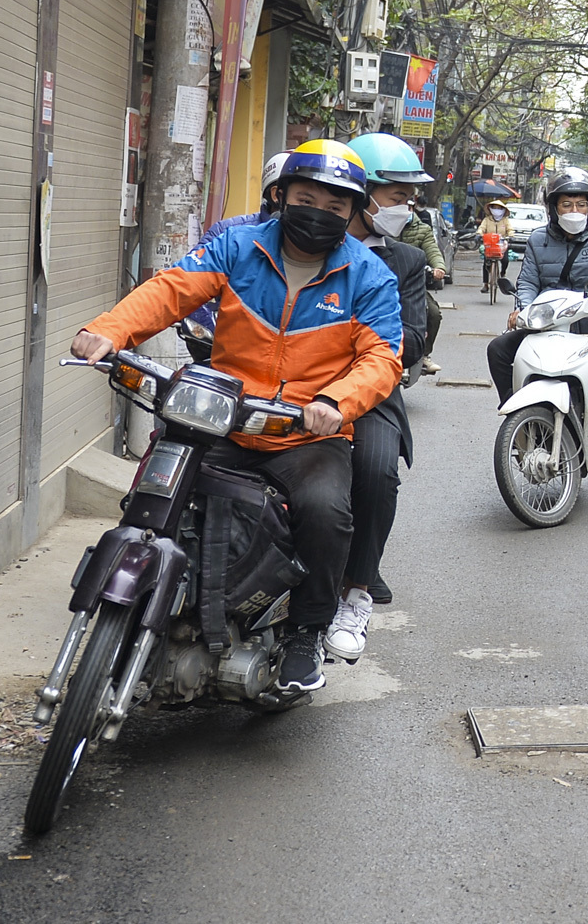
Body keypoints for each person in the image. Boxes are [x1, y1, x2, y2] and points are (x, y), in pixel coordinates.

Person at [69, 140, 402, 694]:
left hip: (303, 431)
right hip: (225, 415)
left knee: (325, 512)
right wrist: (111, 329)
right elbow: (172, 291)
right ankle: (140, 593)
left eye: (336, 206)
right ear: (280, 196)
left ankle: (306, 631)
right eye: (306, 197)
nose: (320, 212)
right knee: (156, 489)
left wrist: (333, 404)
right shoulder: (237, 244)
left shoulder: (369, 276)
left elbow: (380, 359)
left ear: (353, 213)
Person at [321, 134, 431, 662]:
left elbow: (411, 335)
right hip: (295, 381)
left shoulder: (406, 260)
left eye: (409, 198)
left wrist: (364, 347)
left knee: (376, 469)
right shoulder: (298, 244)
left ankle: (357, 586)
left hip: (372, 386)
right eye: (395, 196)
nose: (405, 208)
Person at [485, 168, 588, 505]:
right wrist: (522, 310)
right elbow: (528, 282)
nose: (574, 211)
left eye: (580, 204)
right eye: (566, 204)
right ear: (553, 208)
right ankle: (520, 419)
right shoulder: (536, 240)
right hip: (545, 324)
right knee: (498, 350)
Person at [185, 151, 290, 341]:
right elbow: (184, 283)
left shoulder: (336, 247)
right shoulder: (227, 234)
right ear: (277, 195)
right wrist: (212, 333)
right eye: (305, 197)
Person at [400, 200, 447, 374]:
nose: (404, 210)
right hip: (383, 285)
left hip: (413, 286)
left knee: (433, 313)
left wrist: (439, 268)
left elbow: (433, 251)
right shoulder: (383, 228)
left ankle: (424, 355)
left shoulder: (423, 230)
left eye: (408, 207)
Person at [477, 200, 512, 294]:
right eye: (494, 208)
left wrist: (510, 235)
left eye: (499, 208)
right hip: (490, 243)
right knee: (486, 263)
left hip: (501, 244)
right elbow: (481, 228)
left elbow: (510, 229)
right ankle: (485, 284)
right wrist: (479, 234)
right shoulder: (487, 220)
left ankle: (503, 272)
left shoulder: (505, 220)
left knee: (505, 260)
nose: (496, 210)